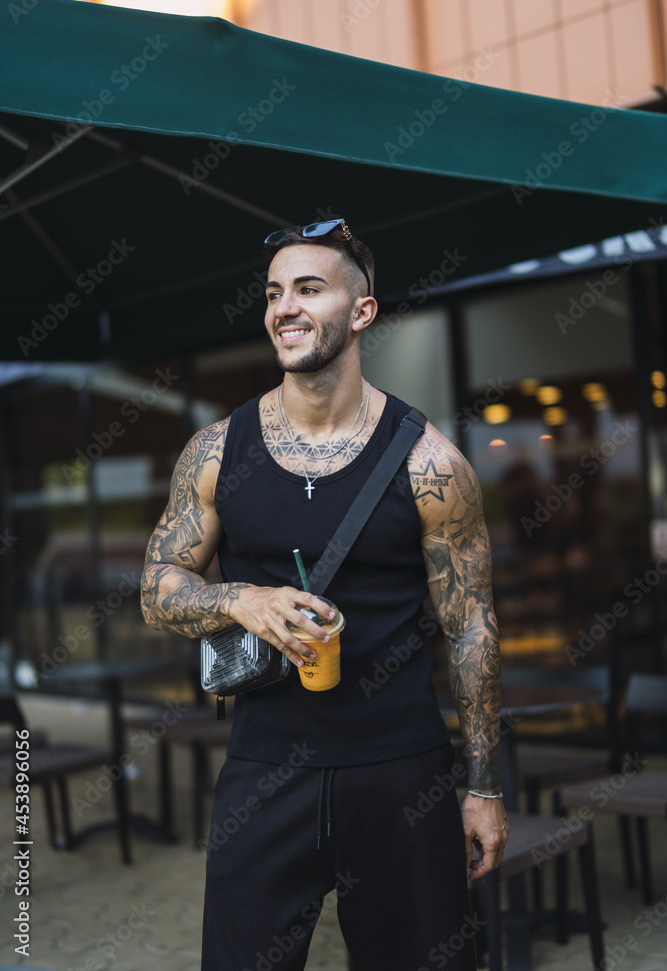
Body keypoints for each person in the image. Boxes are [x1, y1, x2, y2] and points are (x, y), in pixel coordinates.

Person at [141, 218, 509, 971]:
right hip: (263, 769)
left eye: (309, 288)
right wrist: (237, 599)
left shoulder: (429, 463)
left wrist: (483, 789)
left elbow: (470, 625)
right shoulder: (217, 451)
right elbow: (156, 589)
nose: (284, 307)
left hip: (400, 769)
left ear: (362, 311)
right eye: (274, 292)